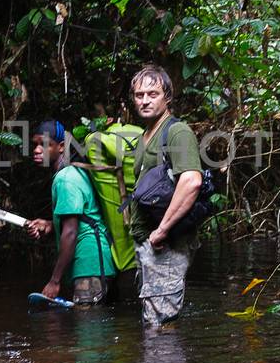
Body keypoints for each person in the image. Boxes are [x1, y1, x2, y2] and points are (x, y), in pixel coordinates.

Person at [127, 65, 202, 326]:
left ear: (167, 97)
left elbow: (191, 181)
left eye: (152, 93)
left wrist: (162, 229)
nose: (145, 100)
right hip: (149, 240)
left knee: (160, 323)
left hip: (165, 242)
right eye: (139, 95)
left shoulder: (177, 132)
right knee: (154, 318)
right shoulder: (145, 136)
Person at [25, 120, 117, 304]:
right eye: (34, 144)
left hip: (89, 266)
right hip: (99, 265)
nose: (36, 150)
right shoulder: (75, 171)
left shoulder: (66, 179)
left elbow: (71, 232)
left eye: (44, 144)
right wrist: (50, 225)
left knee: (87, 329)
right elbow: (83, 217)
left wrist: (54, 281)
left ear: (60, 147)